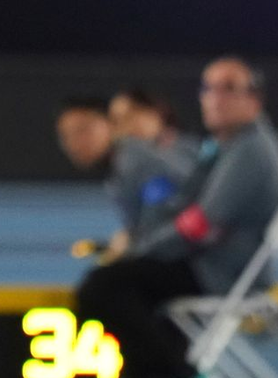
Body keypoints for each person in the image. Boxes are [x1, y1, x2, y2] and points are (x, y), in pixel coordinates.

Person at [78, 56, 278, 378]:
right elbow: (186, 205)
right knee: (126, 278)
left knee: (106, 285)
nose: (214, 98)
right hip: (216, 263)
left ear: (254, 99)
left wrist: (142, 249)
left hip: (223, 273)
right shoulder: (230, 145)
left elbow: (200, 225)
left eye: (228, 89)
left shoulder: (251, 151)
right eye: (208, 88)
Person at [55, 95, 196, 264]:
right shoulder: (123, 167)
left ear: (111, 125)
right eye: (65, 136)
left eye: (83, 129)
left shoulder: (136, 162)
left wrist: (130, 246)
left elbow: (167, 221)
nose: (75, 143)